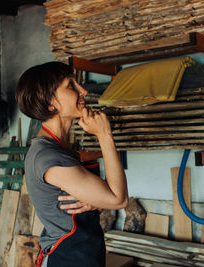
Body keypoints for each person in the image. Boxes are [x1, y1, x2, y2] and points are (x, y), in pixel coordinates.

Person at [15, 62, 128, 267]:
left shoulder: (57, 148)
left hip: (82, 254)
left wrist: (95, 201)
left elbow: (104, 198)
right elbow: (118, 199)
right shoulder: (49, 157)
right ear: (50, 103)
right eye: (71, 85)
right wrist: (104, 135)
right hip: (69, 258)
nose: (83, 90)